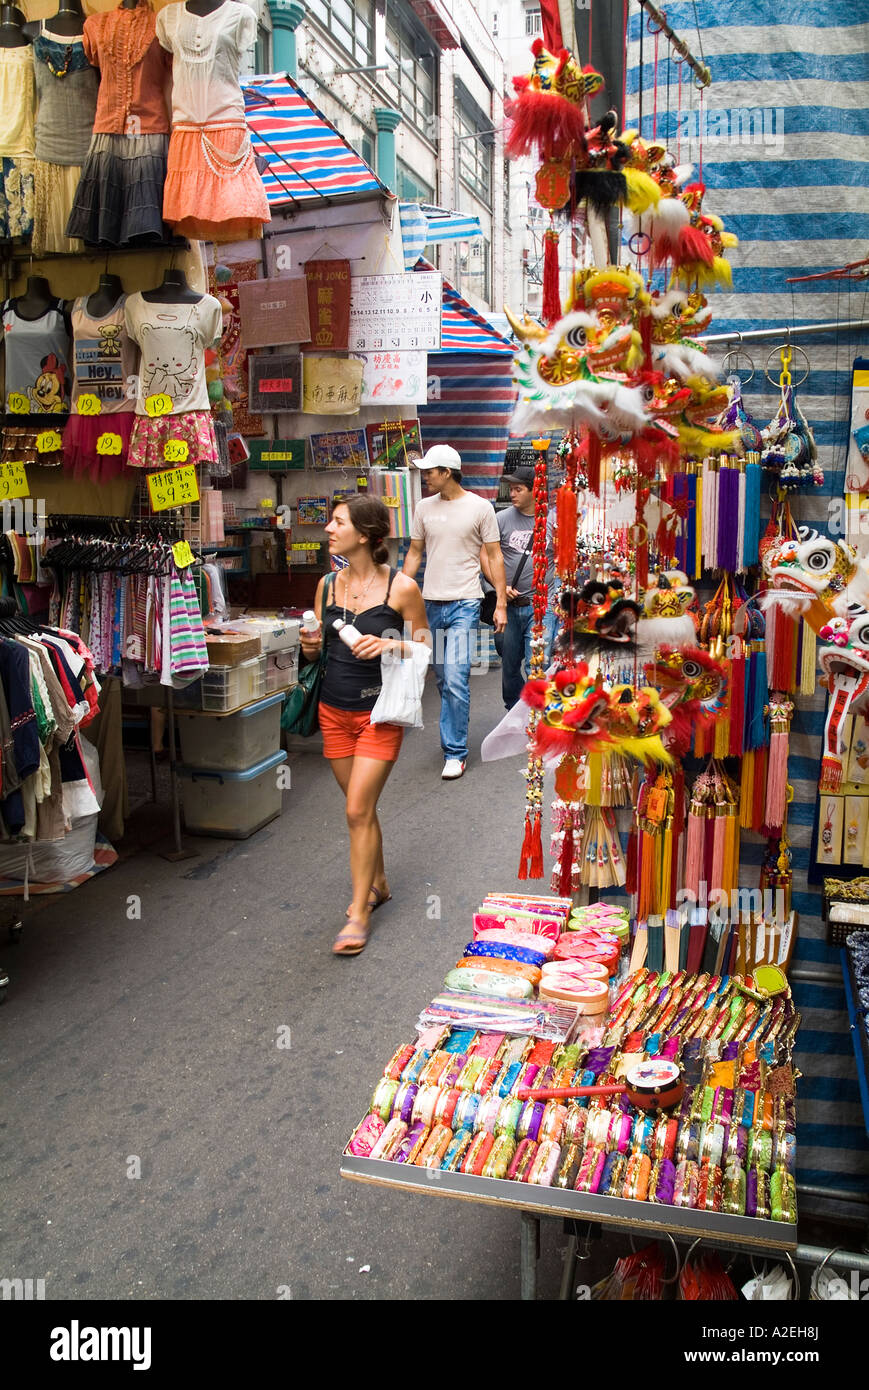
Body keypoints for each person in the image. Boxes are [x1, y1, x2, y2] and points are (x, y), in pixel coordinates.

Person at [299, 496, 429, 957]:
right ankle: (379, 882)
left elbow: (425, 648)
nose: (328, 529)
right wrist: (310, 646)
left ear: (367, 534)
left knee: (356, 810)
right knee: (361, 808)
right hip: (332, 713)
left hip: (379, 713)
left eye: (338, 522)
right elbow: (315, 653)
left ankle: (358, 913)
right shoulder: (326, 585)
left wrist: (389, 645)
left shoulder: (402, 588)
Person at [402, 445, 507, 780]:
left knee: (457, 677)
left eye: (430, 471)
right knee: (444, 677)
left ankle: (455, 752)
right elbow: (415, 552)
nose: (425, 476)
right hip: (431, 603)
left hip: (465, 601)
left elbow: (493, 557)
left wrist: (501, 602)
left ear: (447, 472)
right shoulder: (423, 508)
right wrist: (399, 591)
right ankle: (453, 730)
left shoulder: (479, 508)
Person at [483, 465, 561, 709]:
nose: (512, 494)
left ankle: (537, 715)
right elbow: (484, 555)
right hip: (508, 605)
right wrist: (499, 585)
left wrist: (555, 592)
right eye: (511, 489)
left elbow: (562, 559)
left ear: (534, 491)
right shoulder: (501, 519)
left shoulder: (553, 520)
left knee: (537, 663)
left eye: (518, 489)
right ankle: (512, 710)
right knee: (509, 664)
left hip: (542, 605)